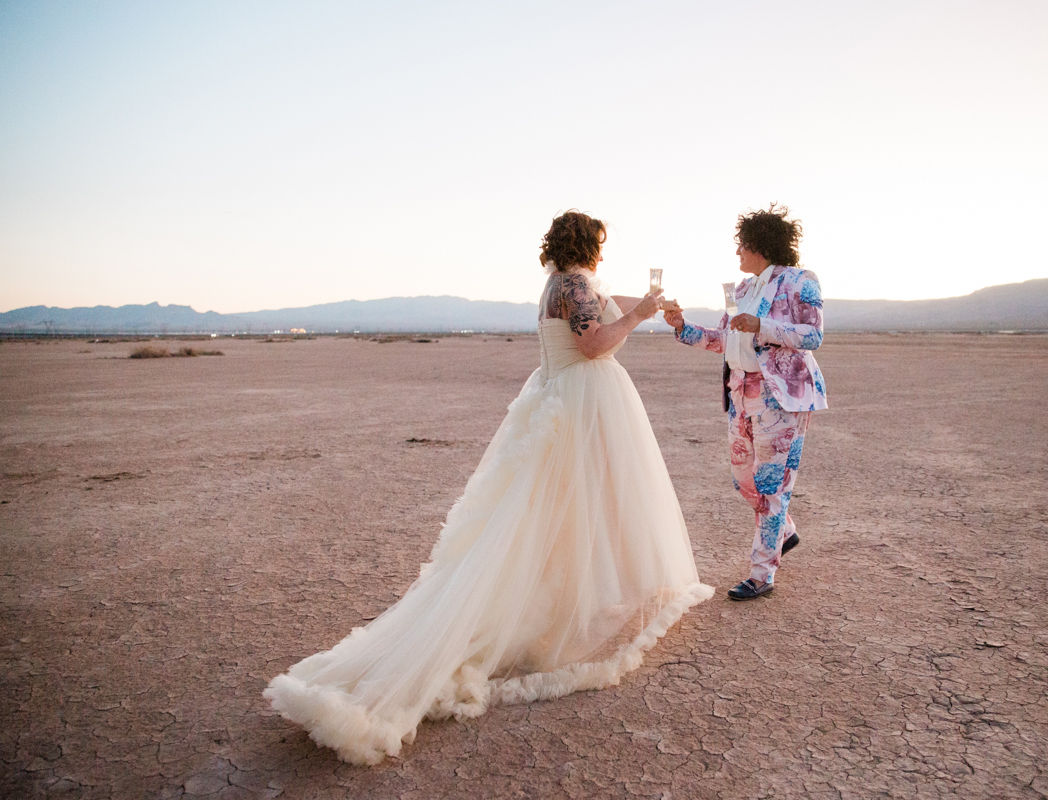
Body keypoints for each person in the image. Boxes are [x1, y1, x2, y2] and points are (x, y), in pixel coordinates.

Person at [264, 210, 713, 764]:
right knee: (570, 508)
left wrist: (639, 303)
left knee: (561, 512)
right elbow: (595, 343)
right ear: (586, 243)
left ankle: (572, 598)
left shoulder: (567, 283)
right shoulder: (573, 284)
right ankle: (554, 614)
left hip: (563, 398)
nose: (601, 251)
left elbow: (598, 306)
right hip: (578, 402)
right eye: (599, 241)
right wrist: (641, 314)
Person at [663, 205, 826, 601]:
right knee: (744, 480)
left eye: (742, 246)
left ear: (760, 245)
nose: (738, 253)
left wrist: (763, 326)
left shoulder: (801, 281)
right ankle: (783, 531)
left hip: (781, 397)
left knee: (771, 487)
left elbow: (812, 336)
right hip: (740, 396)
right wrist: (683, 327)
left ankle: (761, 573)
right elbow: (724, 339)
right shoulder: (743, 289)